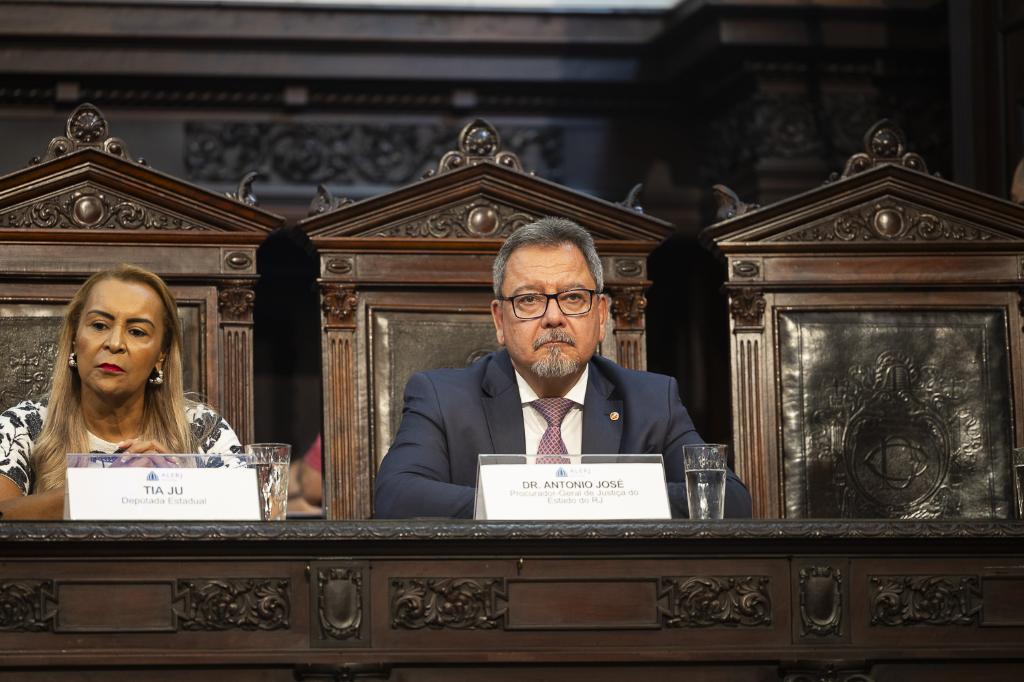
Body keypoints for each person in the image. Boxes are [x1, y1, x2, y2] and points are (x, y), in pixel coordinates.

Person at [374, 217, 752, 519]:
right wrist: (531, 500)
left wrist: (592, 497)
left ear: (600, 315)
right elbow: (396, 495)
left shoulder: (653, 401)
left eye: (572, 297)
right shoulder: (443, 399)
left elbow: (726, 500)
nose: (553, 317)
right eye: (529, 299)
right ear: (500, 320)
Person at [0, 264, 243, 520]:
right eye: (99, 326)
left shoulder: (203, 430)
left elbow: (251, 516)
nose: (115, 343)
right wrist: (105, 488)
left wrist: (182, 488)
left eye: (137, 332)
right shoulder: (21, 426)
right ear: (74, 338)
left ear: (161, 355)